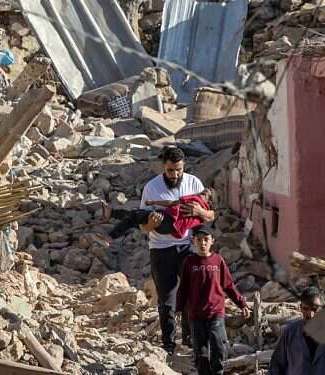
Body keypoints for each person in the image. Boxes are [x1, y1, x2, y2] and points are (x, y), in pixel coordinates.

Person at [140, 146, 215, 354]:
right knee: (167, 300)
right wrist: (151, 225)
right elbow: (142, 226)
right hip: (161, 249)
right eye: (171, 170)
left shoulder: (194, 183)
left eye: (179, 170)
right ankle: (169, 345)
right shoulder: (151, 188)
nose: (175, 175)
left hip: (189, 247)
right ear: (163, 167)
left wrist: (200, 211)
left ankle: (192, 341)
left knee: (194, 294)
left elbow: (210, 216)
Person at [176, 225, 250, 375]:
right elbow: (183, 288)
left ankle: (218, 372)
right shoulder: (190, 262)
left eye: (206, 239)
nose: (202, 243)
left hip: (215, 311)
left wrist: (242, 304)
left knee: (218, 345)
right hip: (196, 314)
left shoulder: (218, 260)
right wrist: (178, 308)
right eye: (199, 240)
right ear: (193, 241)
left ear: (212, 241)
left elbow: (228, 285)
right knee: (200, 352)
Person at [268, 287, 325, 375]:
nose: (310, 315)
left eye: (315, 309)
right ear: (301, 308)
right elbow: (276, 366)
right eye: (306, 309)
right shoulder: (290, 333)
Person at [102, 188, 213, 239]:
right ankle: (112, 213)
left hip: (167, 220)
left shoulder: (196, 202)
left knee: (135, 216)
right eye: (202, 192)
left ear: (208, 201)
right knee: (136, 216)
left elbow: (172, 203)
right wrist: (154, 202)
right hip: (168, 228)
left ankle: (111, 237)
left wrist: (154, 202)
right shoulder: (202, 214)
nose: (201, 193)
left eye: (204, 194)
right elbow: (172, 203)